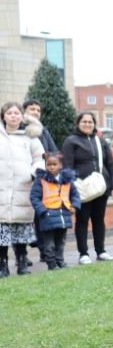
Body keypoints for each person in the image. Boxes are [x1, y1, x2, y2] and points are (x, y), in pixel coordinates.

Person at [62, 112, 113, 265]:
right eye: (84, 121)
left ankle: (101, 251)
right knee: (82, 220)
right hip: (81, 188)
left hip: (101, 187)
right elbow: (67, 166)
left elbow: (110, 165)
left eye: (90, 122)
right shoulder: (71, 141)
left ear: (94, 124)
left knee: (99, 220)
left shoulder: (100, 141)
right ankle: (83, 253)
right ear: (78, 123)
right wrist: (71, 188)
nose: (87, 124)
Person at [0, 102, 44, 277]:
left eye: (16, 113)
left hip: (23, 187)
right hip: (2, 189)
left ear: (22, 116)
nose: (13, 116)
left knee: (20, 229)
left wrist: (34, 172)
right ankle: (2, 264)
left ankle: (22, 261)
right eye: (9, 113)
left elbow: (39, 158)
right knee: (2, 230)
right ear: (3, 116)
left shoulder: (30, 137)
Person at [30, 153, 81, 270]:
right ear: (45, 165)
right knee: (49, 243)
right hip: (47, 216)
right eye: (49, 164)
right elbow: (34, 197)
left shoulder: (67, 181)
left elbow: (75, 195)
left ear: (60, 165)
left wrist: (75, 206)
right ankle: (51, 264)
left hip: (63, 215)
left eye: (54, 164)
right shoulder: (41, 180)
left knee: (61, 242)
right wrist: (42, 211)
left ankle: (60, 261)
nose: (52, 167)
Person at [23, 100, 57, 263]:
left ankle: (45, 251)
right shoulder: (18, 129)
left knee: (41, 215)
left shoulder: (44, 131)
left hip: (41, 178)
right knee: (23, 216)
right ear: (25, 111)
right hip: (21, 179)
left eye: (38, 110)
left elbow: (53, 151)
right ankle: (21, 255)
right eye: (32, 109)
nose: (36, 112)